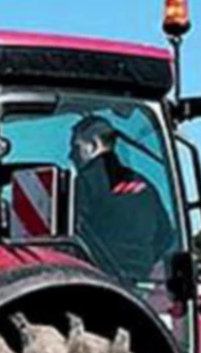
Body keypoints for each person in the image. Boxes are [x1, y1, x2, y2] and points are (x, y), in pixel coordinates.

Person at [70, 113, 177, 286]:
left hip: (97, 279)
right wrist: (142, 265)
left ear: (94, 145)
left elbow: (73, 235)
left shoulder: (84, 184)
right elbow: (165, 236)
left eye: (76, 147)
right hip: (141, 283)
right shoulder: (144, 185)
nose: (71, 155)